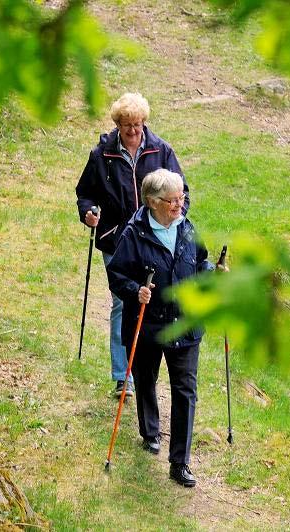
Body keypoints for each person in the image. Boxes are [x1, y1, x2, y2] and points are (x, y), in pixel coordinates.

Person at [76, 93, 189, 398]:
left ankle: (146, 370)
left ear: (144, 123)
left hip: (154, 239)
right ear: (117, 125)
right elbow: (84, 193)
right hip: (116, 237)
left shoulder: (161, 150)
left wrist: (176, 218)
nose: (133, 131)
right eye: (127, 125)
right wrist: (87, 212)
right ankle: (122, 376)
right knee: (122, 301)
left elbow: (182, 192)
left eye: (137, 125)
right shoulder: (102, 154)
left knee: (152, 301)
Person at [107, 169, 214, 488]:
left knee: (185, 391)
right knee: (146, 378)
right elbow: (117, 275)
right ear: (153, 202)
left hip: (185, 324)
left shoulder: (188, 227)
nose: (179, 205)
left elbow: (202, 261)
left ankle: (179, 462)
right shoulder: (134, 234)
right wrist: (135, 290)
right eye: (172, 200)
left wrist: (213, 273)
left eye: (182, 198)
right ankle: (150, 431)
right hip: (148, 324)